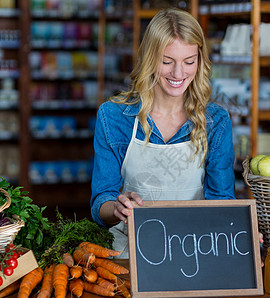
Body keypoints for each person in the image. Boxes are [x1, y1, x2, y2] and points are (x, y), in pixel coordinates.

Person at [90, 8, 236, 258]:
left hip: (195, 256)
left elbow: (222, 201)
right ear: (149, 58)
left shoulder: (215, 121)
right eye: (167, 61)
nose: (178, 74)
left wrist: (238, 231)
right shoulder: (113, 117)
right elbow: (100, 202)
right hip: (127, 259)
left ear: (200, 60)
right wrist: (117, 206)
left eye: (189, 62)